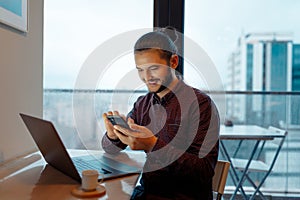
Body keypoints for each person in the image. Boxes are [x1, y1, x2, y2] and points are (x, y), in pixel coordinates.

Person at [101, 27, 220, 199]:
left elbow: (203, 171)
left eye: (154, 68)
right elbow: (110, 149)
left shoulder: (200, 104)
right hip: (147, 193)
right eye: (140, 70)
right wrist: (113, 136)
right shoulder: (143, 103)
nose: (146, 77)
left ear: (173, 62)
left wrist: (152, 145)